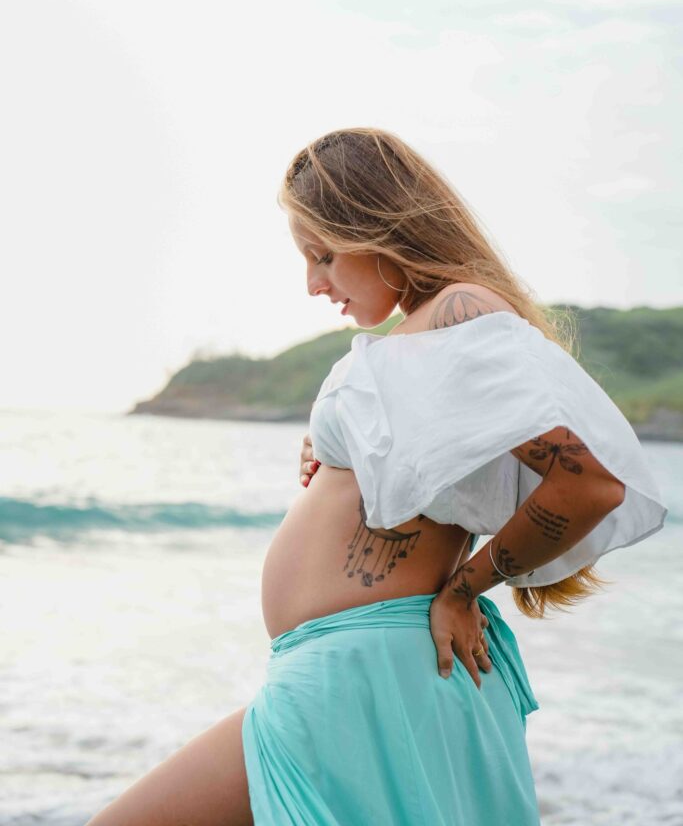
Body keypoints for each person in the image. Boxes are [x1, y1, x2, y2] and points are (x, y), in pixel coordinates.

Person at [86, 127, 667, 826]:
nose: (312, 282)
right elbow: (433, 450)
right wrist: (338, 448)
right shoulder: (428, 329)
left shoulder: (460, 309)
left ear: (379, 230)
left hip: (364, 672)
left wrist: (463, 590)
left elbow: (586, 484)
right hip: (345, 672)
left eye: (323, 255)